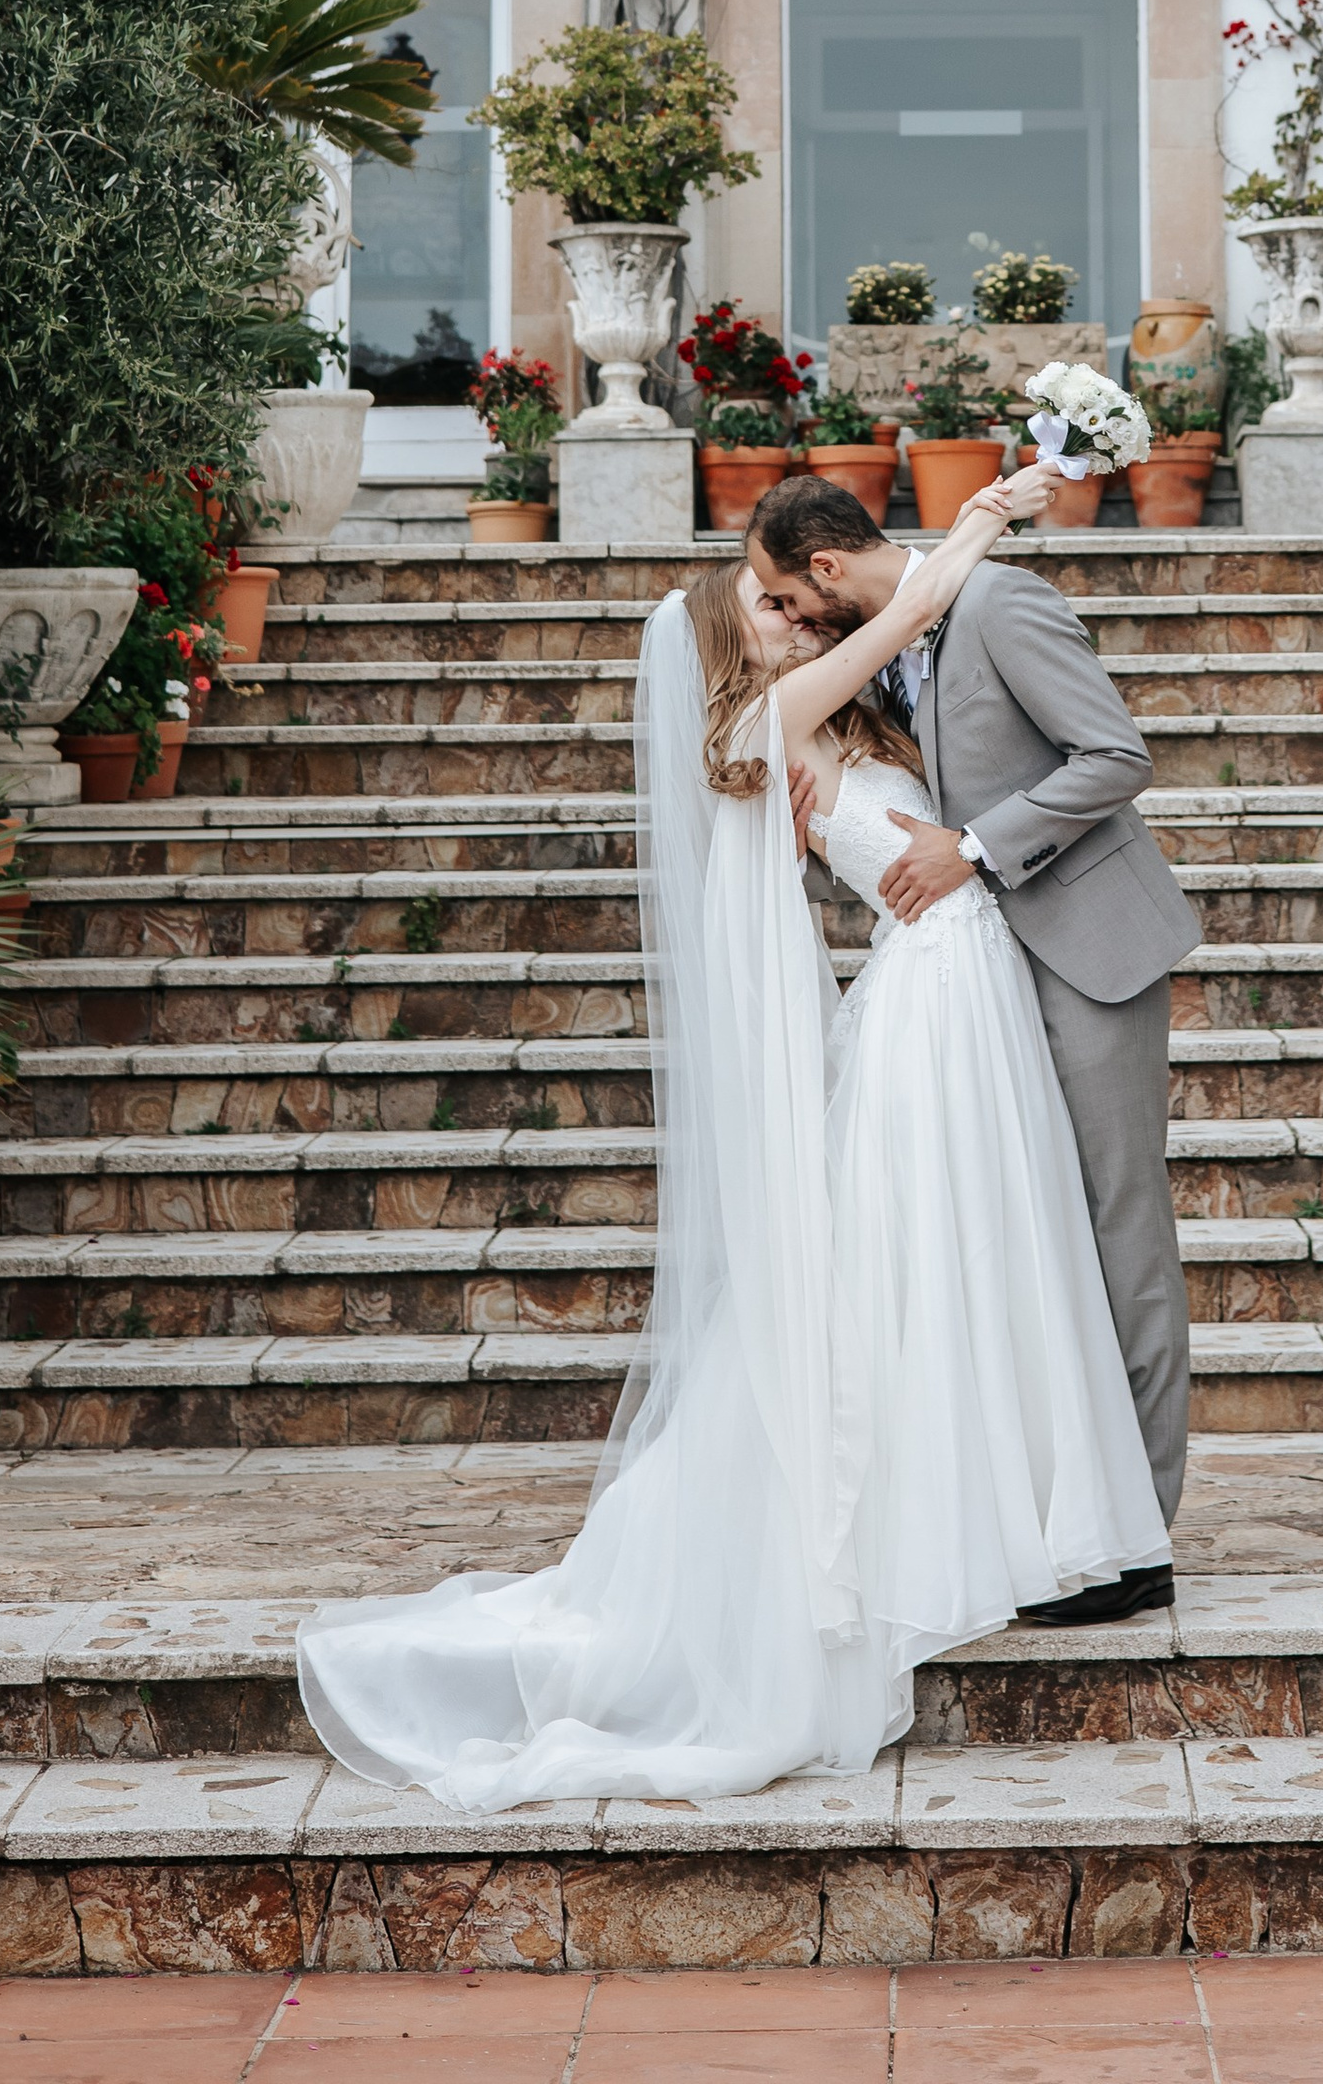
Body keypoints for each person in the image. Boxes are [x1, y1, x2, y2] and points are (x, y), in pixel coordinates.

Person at [293, 467, 1167, 1810]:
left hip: (963, 980)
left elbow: (907, 643)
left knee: (997, 1246)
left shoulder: (821, 727)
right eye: (762, 605)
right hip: (938, 989)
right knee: (966, 1250)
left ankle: (1059, 1511)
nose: (785, 614)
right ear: (729, 640)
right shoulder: (773, 714)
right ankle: (1015, 1522)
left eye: (783, 591)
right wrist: (984, 517)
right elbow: (902, 611)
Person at [746, 468, 1198, 1621]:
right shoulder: (879, 656)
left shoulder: (998, 607)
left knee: (1111, 1225)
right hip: (969, 984)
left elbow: (1114, 758)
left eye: (793, 602)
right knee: (1020, 1233)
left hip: (1081, 951)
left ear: (829, 569)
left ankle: (1133, 1536)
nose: (795, 625)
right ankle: (1054, 1507)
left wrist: (977, 847)